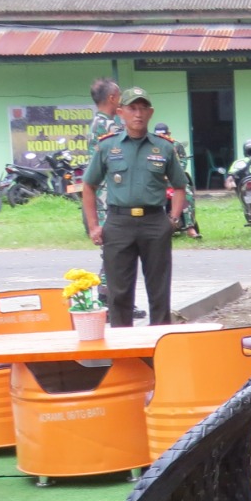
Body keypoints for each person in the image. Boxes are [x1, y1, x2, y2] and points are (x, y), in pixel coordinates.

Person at [80, 88, 187, 326]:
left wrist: (174, 219)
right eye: (132, 108)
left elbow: (180, 186)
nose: (138, 114)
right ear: (120, 112)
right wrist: (94, 226)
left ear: (150, 113)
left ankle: (159, 346)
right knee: (119, 293)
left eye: (142, 109)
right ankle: (123, 351)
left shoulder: (164, 147)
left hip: (155, 222)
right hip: (118, 223)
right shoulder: (108, 146)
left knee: (159, 290)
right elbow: (88, 186)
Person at [153, 122, 200, 239]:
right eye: (158, 135)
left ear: (168, 133)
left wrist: (172, 174)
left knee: (188, 194)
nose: (161, 137)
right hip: (157, 180)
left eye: (164, 134)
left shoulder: (177, 145)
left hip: (174, 180)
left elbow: (183, 162)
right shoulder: (150, 146)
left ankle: (190, 227)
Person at [87, 78, 121, 228]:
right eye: (119, 96)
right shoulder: (108, 126)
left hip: (102, 191)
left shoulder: (96, 123)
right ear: (112, 98)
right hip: (111, 192)